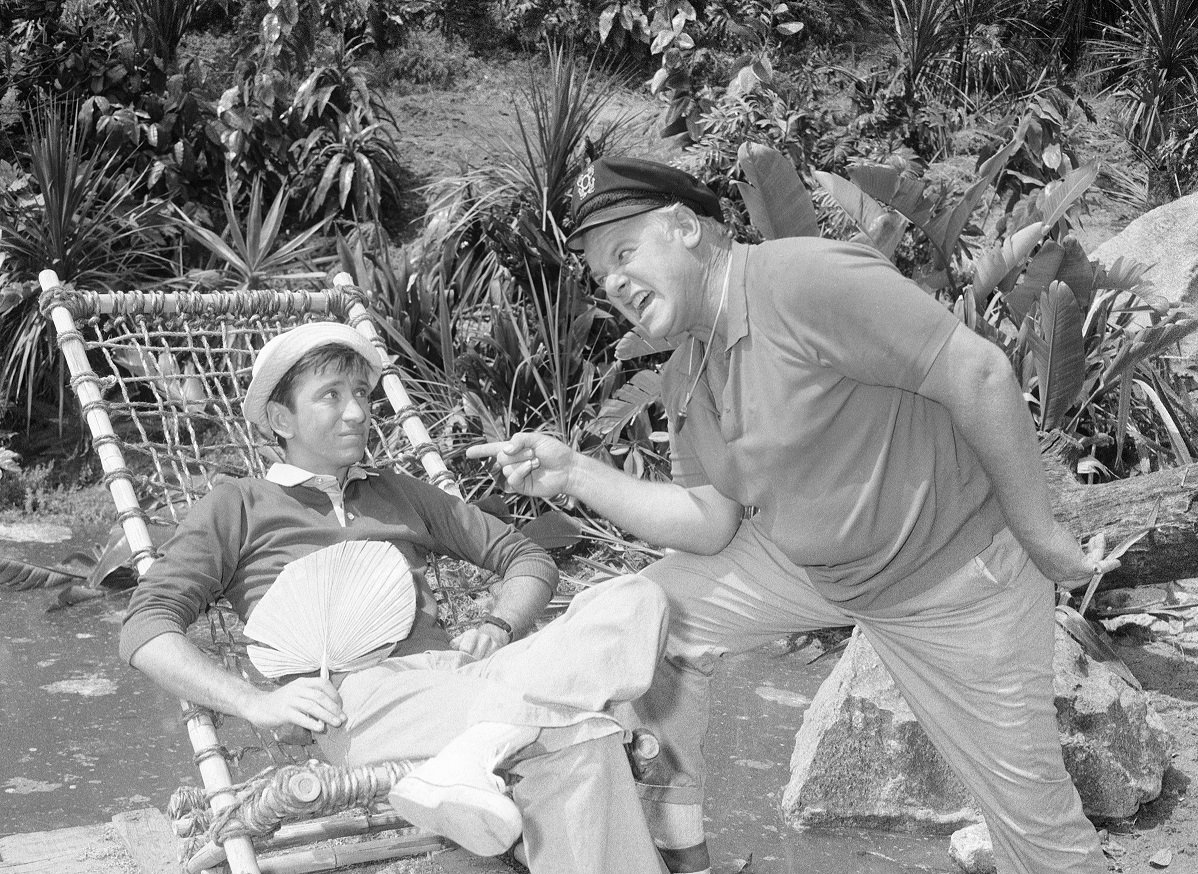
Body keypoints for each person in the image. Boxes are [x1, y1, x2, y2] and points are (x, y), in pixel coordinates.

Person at [469, 156, 1120, 874]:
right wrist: (574, 472)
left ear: (686, 228)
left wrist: (1043, 537)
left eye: (625, 253)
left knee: (1040, 836)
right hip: (814, 569)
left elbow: (979, 373)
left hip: (955, 586)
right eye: (601, 275)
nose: (614, 283)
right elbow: (709, 521)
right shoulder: (691, 363)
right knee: (639, 617)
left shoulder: (804, 280)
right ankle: (668, 845)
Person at [119, 321, 672, 874]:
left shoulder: (396, 491)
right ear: (281, 419)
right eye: (331, 396)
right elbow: (145, 627)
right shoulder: (238, 504)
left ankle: (472, 754)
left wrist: (499, 625)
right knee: (589, 740)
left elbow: (527, 557)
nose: (358, 412)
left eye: (361, 393)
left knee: (636, 599)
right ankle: (486, 747)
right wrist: (254, 702)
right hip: (354, 698)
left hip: (464, 677)